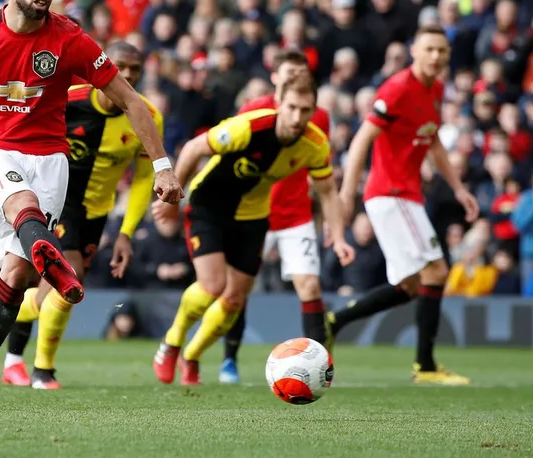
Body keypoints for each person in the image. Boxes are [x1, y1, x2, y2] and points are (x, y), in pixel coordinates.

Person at [0, 0, 182, 411]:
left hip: (50, 160)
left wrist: (162, 166)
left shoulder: (70, 40)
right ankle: (52, 256)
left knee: (16, 277)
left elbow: (132, 101)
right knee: (19, 204)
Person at [0, 41, 163, 390]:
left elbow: (143, 179)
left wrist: (126, 231)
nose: (127, 75)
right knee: (70, 277)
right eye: (120, 66)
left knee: (40, 289)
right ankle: (43, 371)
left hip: (98, 213)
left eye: (135, 70)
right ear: (104, 66)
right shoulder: (68, 99)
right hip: (57, 200)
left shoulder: (146, 115)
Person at [151, 72, 354, 386]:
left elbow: (327, 192)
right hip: (210, 207)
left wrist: (338, 236)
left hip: (254, 217)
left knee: (233, 299)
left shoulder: (315, 144)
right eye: (292, 108)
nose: (298, 117)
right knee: (212, 285)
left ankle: (191, 356)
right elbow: (193, 148)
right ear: (280, 104)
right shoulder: (248, 127)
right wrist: (170, 195)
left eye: (305, 110)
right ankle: (173, 341)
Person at [335, 27, 479, 385]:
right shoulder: (397, 89)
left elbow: (434, 144)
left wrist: (459, 188)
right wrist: (346, 194)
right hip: (391, 192)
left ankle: (335, 322)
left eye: (442, 51)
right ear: (414, 50)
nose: (436, 57)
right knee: (437, 272)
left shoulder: (436, 90)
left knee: (412, 284)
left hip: (406, 196)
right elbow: (361, 139)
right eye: (429, 49)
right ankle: (425, 367)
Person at [217, 49, 331, 384]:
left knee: (310, 285)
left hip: (295, 213)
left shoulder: (317, 117)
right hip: (254, 212)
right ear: (275, 77)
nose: (295, 78)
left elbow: (322, 172)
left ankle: (321, 368)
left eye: (301, 73)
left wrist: (330, 224)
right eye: (289, 73)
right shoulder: (254, 110)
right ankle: (229, 362)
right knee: (238, 289)